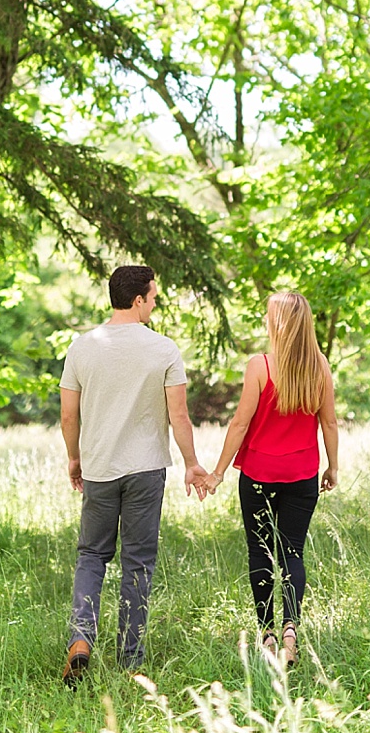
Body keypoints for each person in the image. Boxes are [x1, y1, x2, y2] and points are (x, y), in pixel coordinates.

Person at [59, 265, 209, 686]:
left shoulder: (82, 348)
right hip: (145, 470)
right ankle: (130, 659)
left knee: (92, 555)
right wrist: (192, 462)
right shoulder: (163, 349)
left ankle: (82, 639)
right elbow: (178, 414)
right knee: (137, 563)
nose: (155, 303)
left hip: (101, 468)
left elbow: (69, 415)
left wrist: (75, 458)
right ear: (138, 299)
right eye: (154, 296)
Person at [202, 290, 340, 667]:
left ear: (277, 323)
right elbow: (329, 422)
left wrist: (217, 473)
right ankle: (291, 629)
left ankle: (267, 633)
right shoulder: (320, 367)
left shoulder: (260, 366)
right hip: (302, 475)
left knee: (260, 551)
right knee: (292, 552)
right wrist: (333, 466)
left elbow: (240, 423)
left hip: (260, 475)